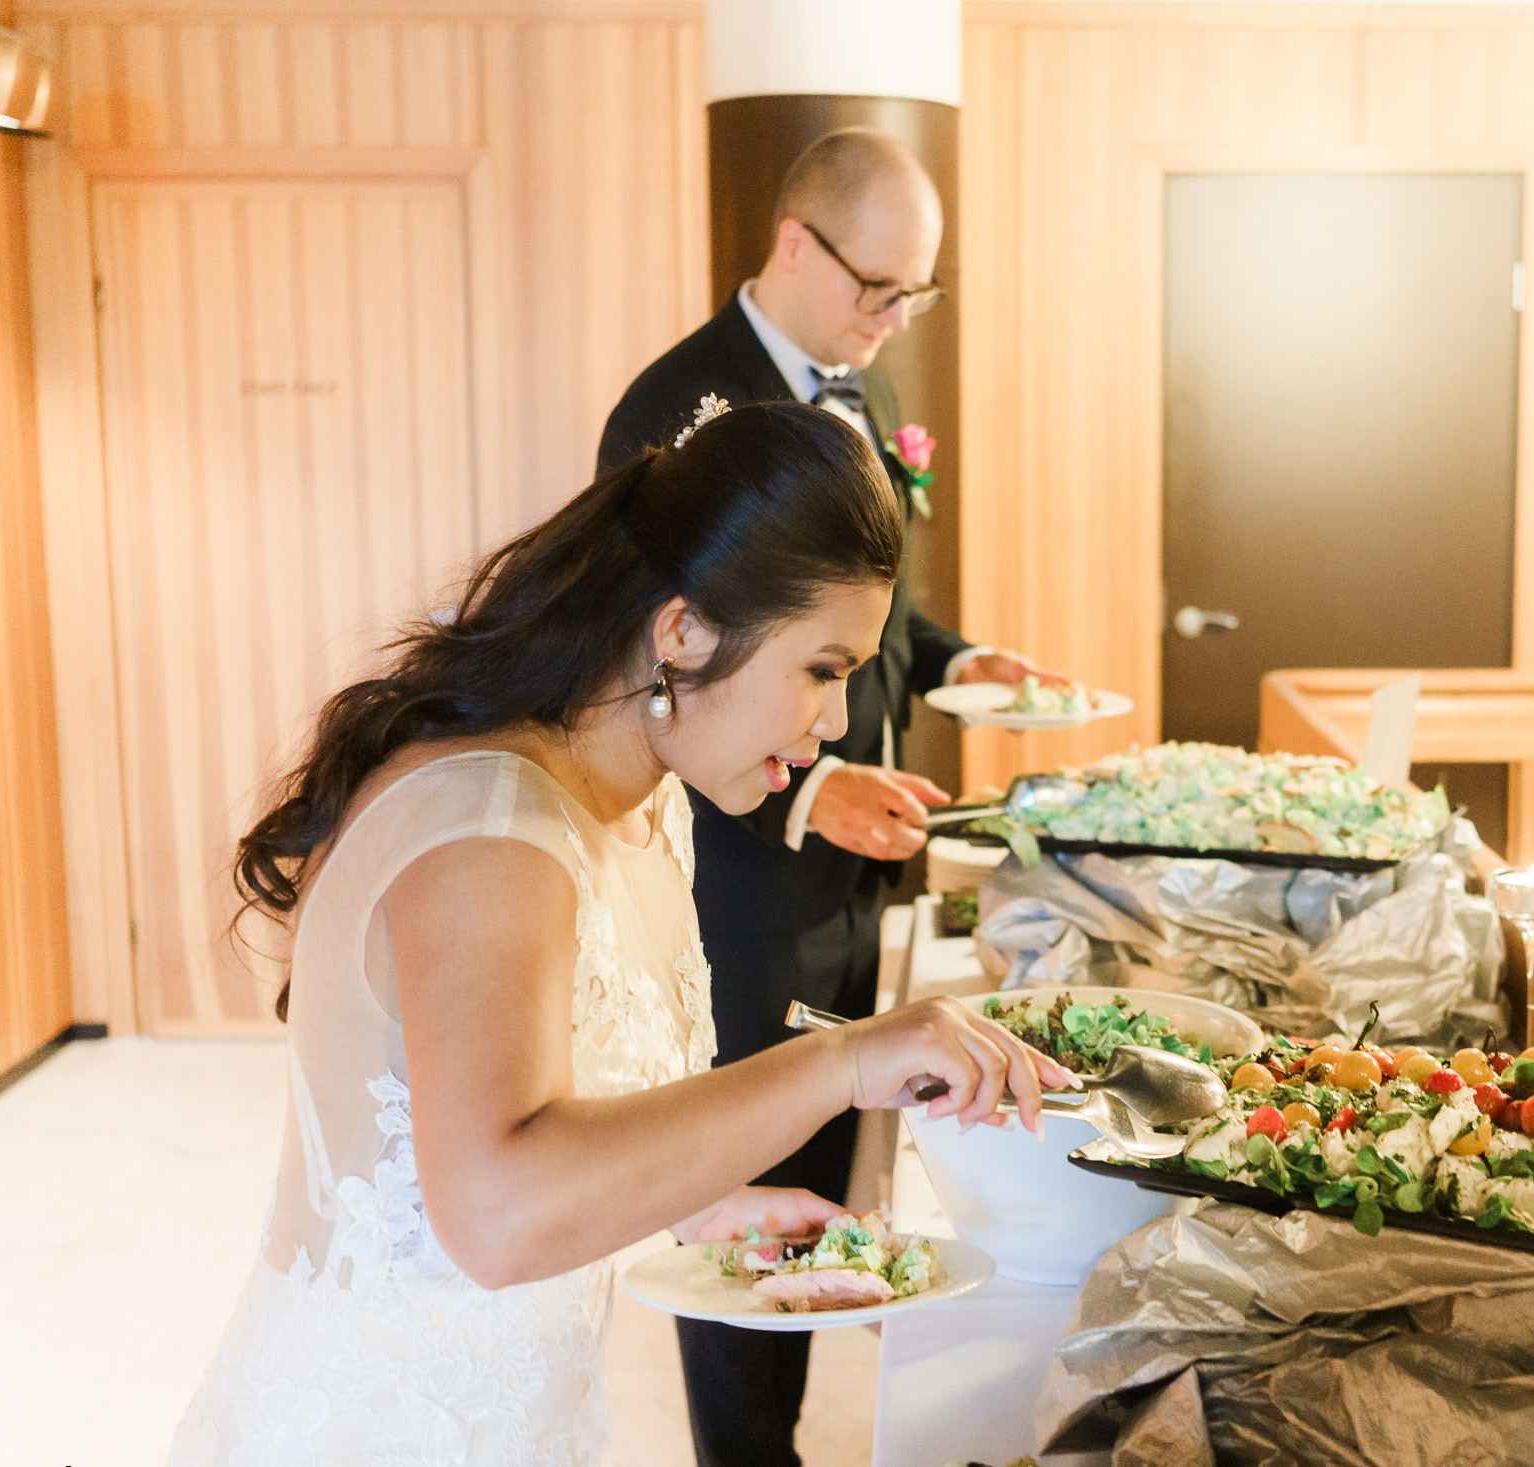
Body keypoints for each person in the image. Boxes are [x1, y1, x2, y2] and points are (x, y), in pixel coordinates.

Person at [167, 401, 1070, 1466]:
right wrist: (842, 1060)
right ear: (682, 630)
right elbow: (497, 1215)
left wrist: (704, 1203)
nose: (833, 724)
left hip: (528, 1413)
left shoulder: (648, 802)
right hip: (380, 1426)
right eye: (823, 670)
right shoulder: (491, 831)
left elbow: (541, 1109)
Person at [597, 129, 1065, 1467]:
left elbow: (871, 615)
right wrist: (807, 799)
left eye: (914, 296)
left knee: (827, 1179)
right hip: (741, 877)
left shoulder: (860, 385)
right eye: (875, 287)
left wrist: (957, 655)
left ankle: (791, 1421)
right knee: (744, 1190)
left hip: (855, 869)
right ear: (794, 242)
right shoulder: (677, 413)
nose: (890, 318)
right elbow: (654, 676)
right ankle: (749, 1449)